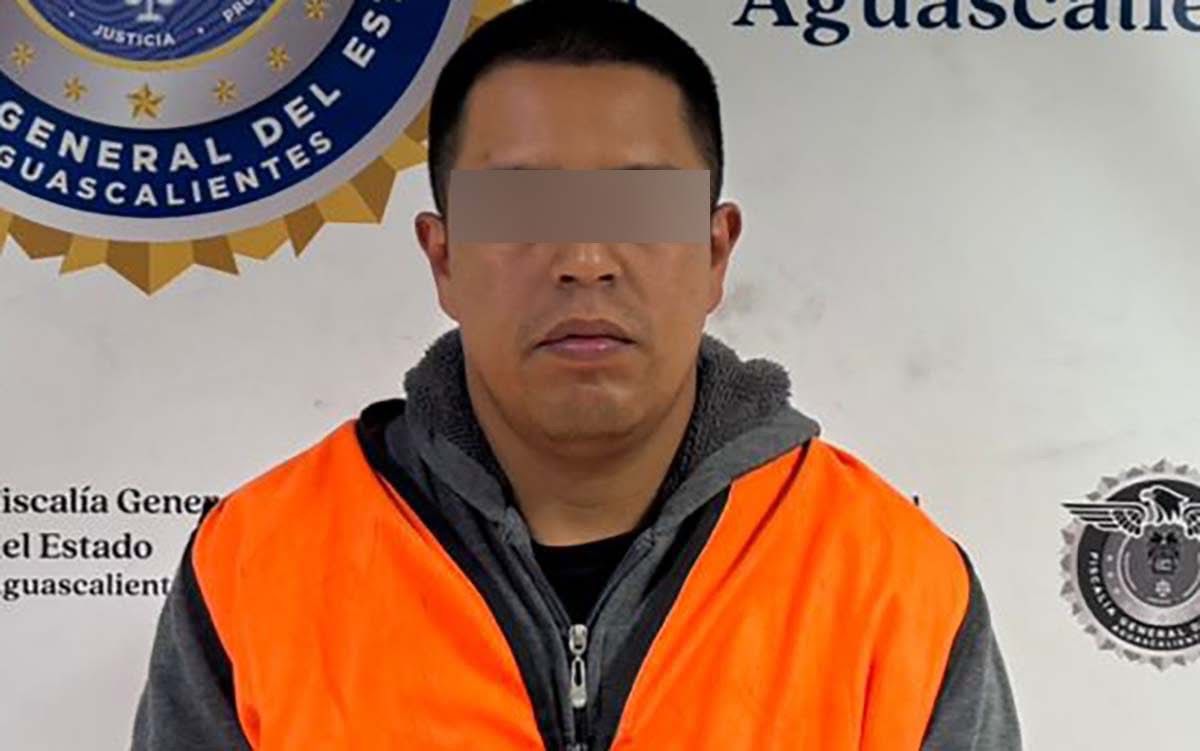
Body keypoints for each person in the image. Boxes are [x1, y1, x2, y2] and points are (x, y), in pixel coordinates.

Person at [130, 1, 1021, 749]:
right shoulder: (258, 565)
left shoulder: (890, 583)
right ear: (443, 257)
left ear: (716, 253)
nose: (585, 258)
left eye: (638, 203)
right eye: (523, 205)